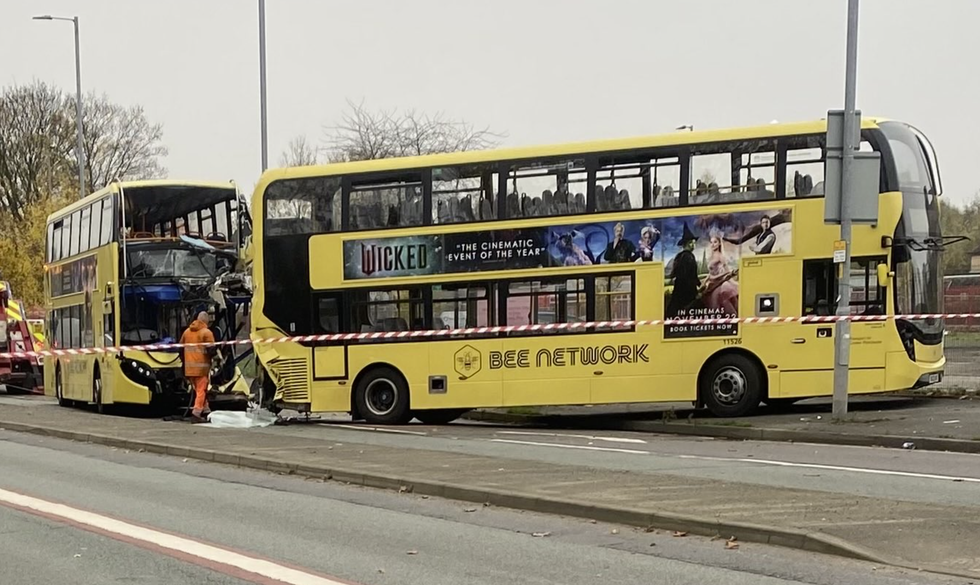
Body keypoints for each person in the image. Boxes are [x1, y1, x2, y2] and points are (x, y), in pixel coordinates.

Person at [179, 311, 215, 423]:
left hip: (189, 369)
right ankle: (196, 413)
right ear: (206, 321)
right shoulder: (206, 333)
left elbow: (180, 348)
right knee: (201, 391)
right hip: (201, 368)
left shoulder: (186, 332)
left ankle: (206, 410)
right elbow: (211, 351)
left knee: (199, 391)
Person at [666, 223, 700, 318]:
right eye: (692, 243)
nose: (694, 245)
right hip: (687, 290)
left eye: (694, 243)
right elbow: (690, 275)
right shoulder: (689, 257)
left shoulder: (679, 256)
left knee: (674, 309)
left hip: (679, 288)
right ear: (687, 244)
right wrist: (696, 289)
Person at [701, 231, 739, 315]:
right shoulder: (711, 256)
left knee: (718, 301)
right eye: (711, 242)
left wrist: (717, 277)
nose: (713, 244)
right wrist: (706, 280)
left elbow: (727, 271)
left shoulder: (720, 256)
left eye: (715, 242)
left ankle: (732, 319)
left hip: (719, 283)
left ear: (719, 244)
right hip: (712, 283)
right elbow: (711, 272)